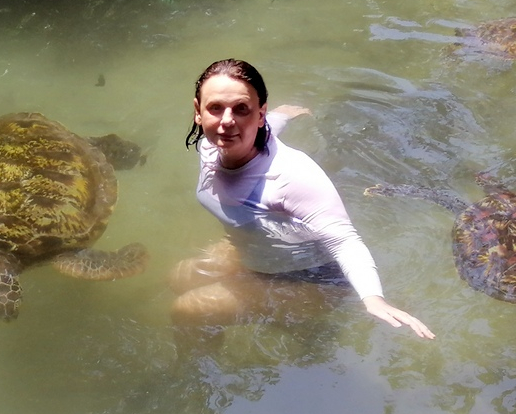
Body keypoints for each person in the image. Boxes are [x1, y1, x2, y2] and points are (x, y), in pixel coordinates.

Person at [170, 59, 435, 340]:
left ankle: (193, 376)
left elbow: (344, 241)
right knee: (178, 277)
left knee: (186, 309)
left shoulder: (291, 176)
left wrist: (373, 298)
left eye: (241, 109)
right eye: (215, 108)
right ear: (198, 112)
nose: (226, 122)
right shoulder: (210, 146)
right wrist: (285, 114)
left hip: (311, 277)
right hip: (257, 247)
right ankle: (293, 324)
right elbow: (269, 125)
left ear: (259, 115)